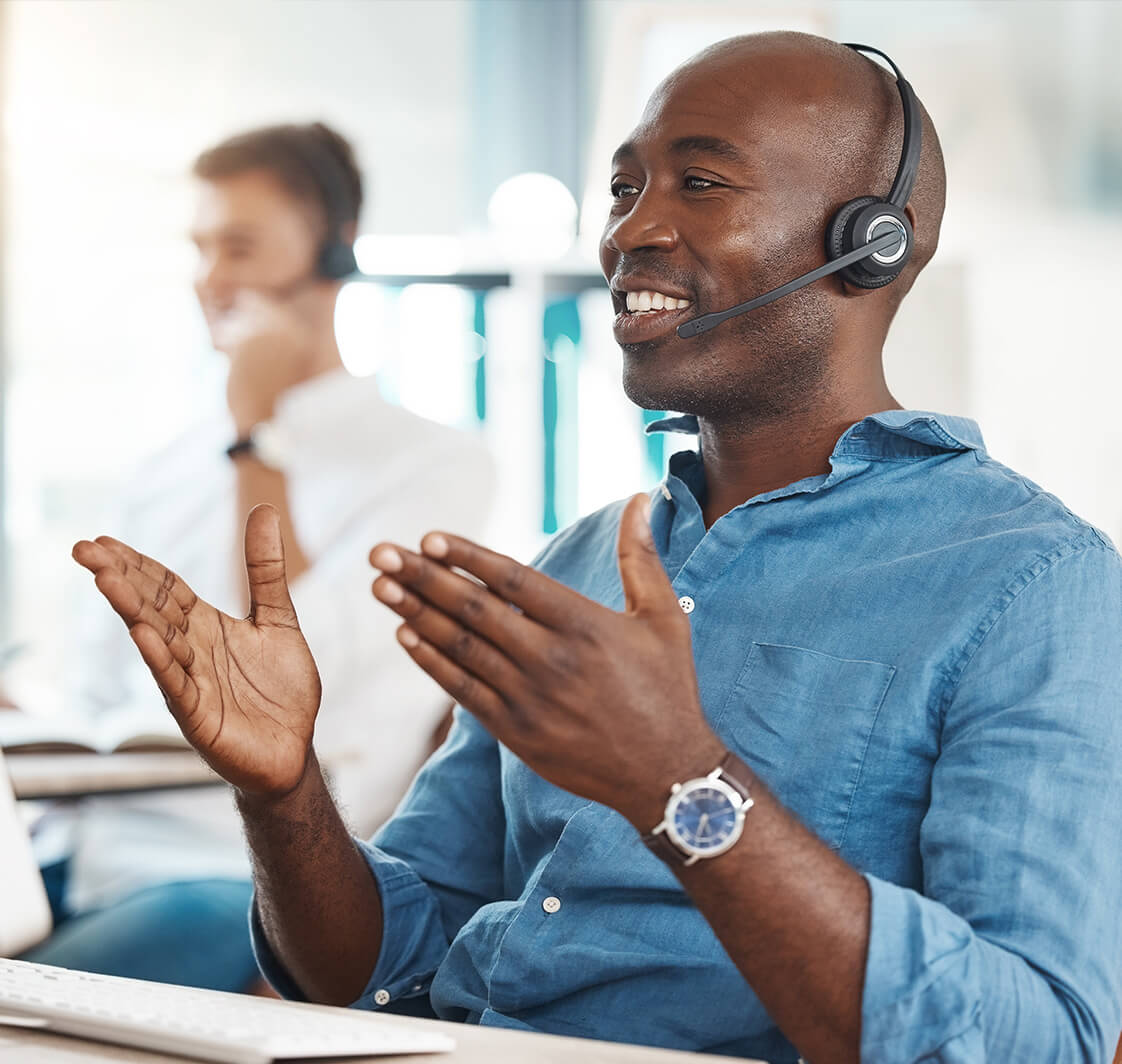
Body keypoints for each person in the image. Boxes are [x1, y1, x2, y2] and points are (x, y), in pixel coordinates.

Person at [73, 33, 1122, 1064]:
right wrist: (281, 785)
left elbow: (1041, 1039)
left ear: (870, 241)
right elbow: (378, 960)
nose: (631, 231)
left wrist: (678, 776)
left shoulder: (1032, 582)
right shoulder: (583, 556)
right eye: (624, 189)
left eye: (701, 182)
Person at [25, 122, 495, 990]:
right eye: (201, 249)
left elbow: (284, 663)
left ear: (331, 253)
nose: (211, 279)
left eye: (239, 247)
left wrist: (257, 435)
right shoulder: (167, 463)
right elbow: (94, 693)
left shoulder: (435, 465)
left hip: (228, 878)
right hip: (80, 859)